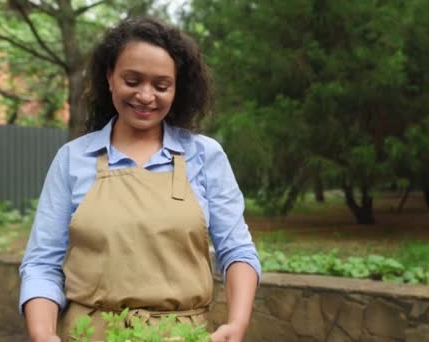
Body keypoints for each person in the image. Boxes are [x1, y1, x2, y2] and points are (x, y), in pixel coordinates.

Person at [19, 17, 260, 342]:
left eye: (161, 86)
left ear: (177, 88)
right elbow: (42, 263)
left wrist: (237, 322)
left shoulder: (205, 156)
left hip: (180, 336)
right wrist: (42, 333)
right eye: (132, 81)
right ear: (110, 77)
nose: (146, 96)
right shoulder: (73, 159)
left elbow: (237, 250)